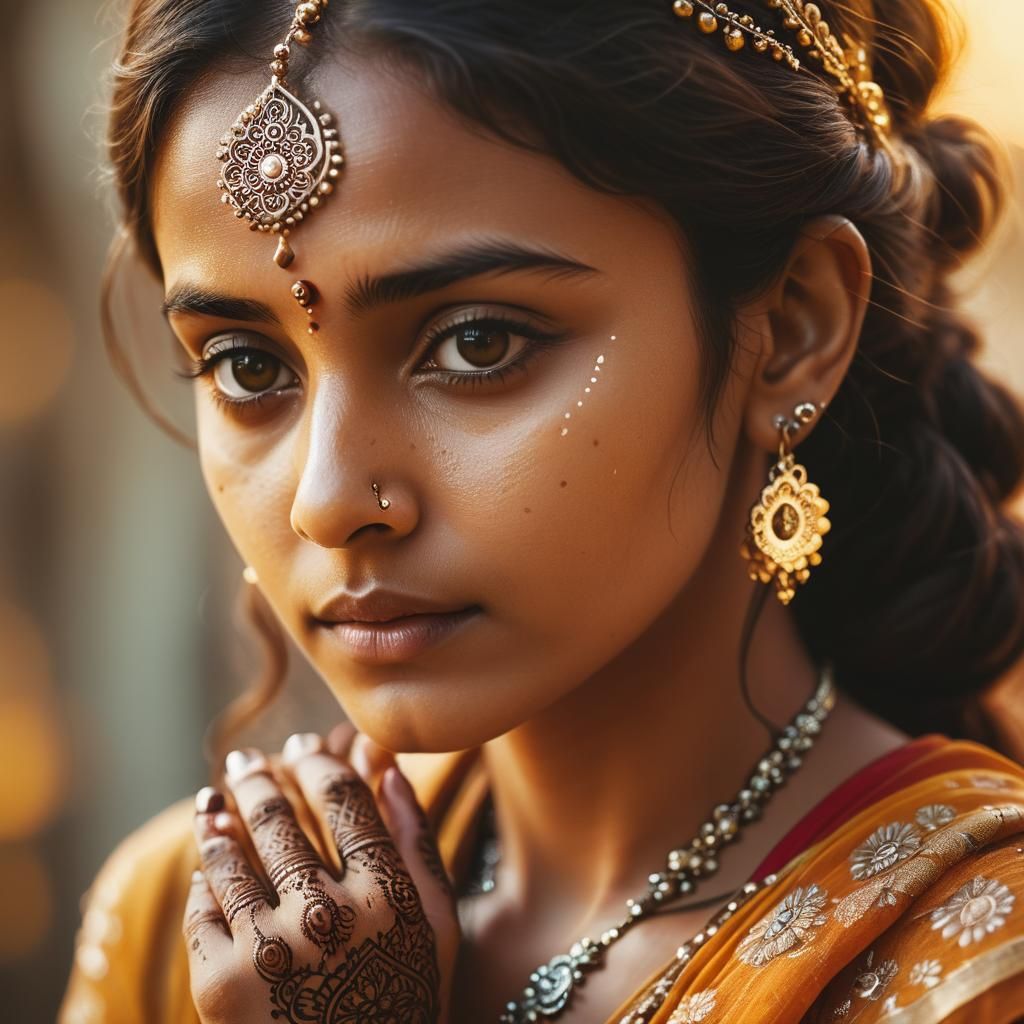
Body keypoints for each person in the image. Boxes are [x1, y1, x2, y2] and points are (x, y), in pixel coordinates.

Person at [60, 0, 1024, 1021]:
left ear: (790, 327)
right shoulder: (204, 922)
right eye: (246, 366)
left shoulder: (974, 964)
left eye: (477, 345)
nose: (328, 499)